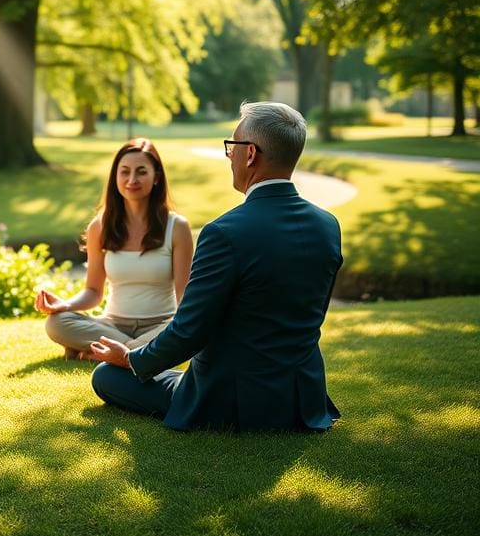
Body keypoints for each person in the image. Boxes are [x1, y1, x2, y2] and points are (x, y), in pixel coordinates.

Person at [86, 102, 342, 432]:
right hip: (302, 395)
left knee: (106, 376)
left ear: (250, 154)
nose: (229, 156)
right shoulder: (327, 225)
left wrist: (130, 358)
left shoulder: (224, 233)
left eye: (231, 147)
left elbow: (189, 332)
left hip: (229, 398)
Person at [35, 138, 194, 359]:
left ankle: (110, 353)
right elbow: (93, 292)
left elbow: (185, 296)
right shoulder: (99, 227)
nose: (132, 180)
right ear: (115, 177)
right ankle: (134, 354)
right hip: (112, 325)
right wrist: (65, 305)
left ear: (156, 177)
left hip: (161, 324)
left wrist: (181, 327)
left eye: (141, 172)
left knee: (184, 327)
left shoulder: (177, 227)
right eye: (125, 172)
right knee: (56, 323)